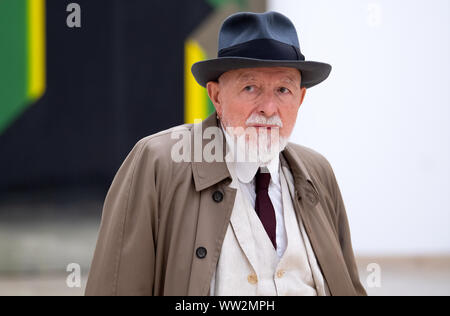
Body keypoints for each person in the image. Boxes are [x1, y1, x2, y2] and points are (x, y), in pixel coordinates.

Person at [85, 11, 367, 296]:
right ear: (216, 96)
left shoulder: (317, 172)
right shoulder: (157, 163)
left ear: (301, 98)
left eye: (283, 89)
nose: (269, 108)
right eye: (250, 87)